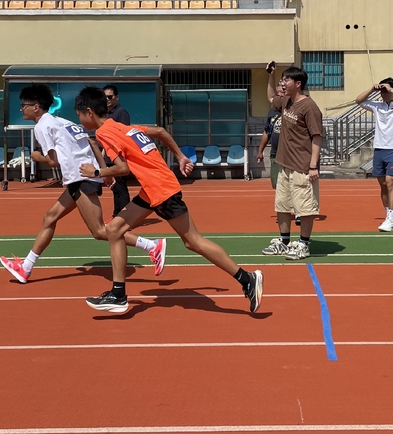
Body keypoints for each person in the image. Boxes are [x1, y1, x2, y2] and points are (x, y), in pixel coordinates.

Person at [75, 86, 263, 315]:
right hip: (153, 188)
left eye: (79, 115)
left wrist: (96, 173)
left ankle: (247, 279)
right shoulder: (125, 128)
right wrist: (181, 156)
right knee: (114, 230)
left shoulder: (105, 133)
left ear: (89, 112)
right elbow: (161, 131)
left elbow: (122, 168)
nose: (80, 119)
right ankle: (118, 293)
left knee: (193, 241)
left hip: (160, 189)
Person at [0, 84, 165, 284]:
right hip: (82, 178)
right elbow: (92, 143)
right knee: (50, 217)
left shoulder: (42, 126)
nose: (21, 109)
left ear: (36, 107)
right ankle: (26, 268)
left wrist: (37, 157)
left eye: (23, 105)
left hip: (81, 179)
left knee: (100, 231)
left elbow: (53, 161)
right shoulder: (62, 121)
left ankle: (152, 246)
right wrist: (104, 173)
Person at [262, 61, 324, 260]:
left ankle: (303, 244)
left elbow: (316, 136)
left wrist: (313, 165)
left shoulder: (309, 107)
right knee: (282, 205)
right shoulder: (286, 102)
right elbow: (271, 97)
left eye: (286, 80)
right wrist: (271, 75)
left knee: (305, 207)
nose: (282, 83)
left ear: (298, 83)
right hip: (285, 164)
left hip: (302, 166)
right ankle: (284, 241)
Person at [355, 77, 393, 231]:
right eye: (381, 92)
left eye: (384, 91)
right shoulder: (377, 106)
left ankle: (392, 220)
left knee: (391, 183)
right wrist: (372, 89)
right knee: (383, 185)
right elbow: (358, 101)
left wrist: (391, 89)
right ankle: (388, 215)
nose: (383, 94)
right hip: (379, 148)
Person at [102, 84, 131, 218]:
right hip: (108, 155)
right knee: (115, 188)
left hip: (118, 156)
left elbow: (123, 135)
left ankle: (125, 217)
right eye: (105, 97)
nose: (107, 99)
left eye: (110, 96)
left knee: (120, 187)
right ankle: (117, 215)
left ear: (116, 97)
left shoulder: (121, 113)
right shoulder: (103, 113)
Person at [256, 79, 286, 190]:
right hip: (275, 155)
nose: (280, 95)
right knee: (277, 187)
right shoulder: (272, 112)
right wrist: (260, 151)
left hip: (289, 156)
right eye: (278, 93)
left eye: (283, 92)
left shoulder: (292, 107)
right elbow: (267, 131)